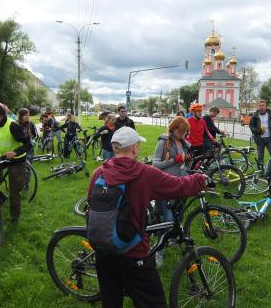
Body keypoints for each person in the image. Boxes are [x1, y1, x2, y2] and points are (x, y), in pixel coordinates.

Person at [87, 126, 207, 308]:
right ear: (135, 148)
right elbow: (178, 185)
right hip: (133, 253)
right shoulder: (144, 173)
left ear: (114, 148)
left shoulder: (99, 172)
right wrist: (201, 179)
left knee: (111, 301)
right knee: (153, 302)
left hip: (103, 250)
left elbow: (91, 206)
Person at [152, 116, 191, 267]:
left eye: (184, 132)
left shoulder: (184, 143)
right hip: (167, 186)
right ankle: (158, 251)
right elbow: (155, 166)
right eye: (180, 132)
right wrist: (175, 160)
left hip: (181, 185)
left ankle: (172, 240)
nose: (182, 134)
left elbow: (185, 166)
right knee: (167, 222)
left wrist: (187, 161)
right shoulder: (163, 143)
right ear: (173, 129)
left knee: (178, 218)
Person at [249, 100, 271, 164]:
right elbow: (251, 127)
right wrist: (258, 130)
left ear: (266, 106)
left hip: (269, 138)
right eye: (260, 105)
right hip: (259, 139)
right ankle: (261, 170)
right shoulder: (254, 116)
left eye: (263, 105)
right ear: (258, 107)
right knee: (260, 156)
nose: (261, 107)